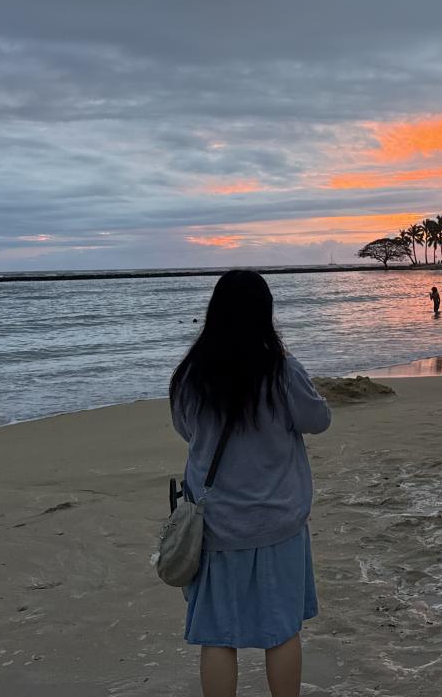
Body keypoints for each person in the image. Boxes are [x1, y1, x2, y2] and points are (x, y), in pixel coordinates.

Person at [169, 270, 333, 697]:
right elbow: (318, 420)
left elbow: (186, 431)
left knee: (217, 635)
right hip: (278, 520)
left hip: (216, 524)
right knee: (281, 631)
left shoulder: (191, 375)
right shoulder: (282, 370)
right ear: (265, 314)